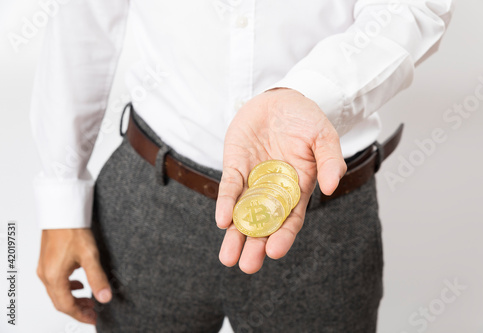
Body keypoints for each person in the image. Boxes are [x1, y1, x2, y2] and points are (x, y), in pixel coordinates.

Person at [32, 1, 454, 332]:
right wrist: (60, 194)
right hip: (150, 195)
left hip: (325, 211)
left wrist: (308, 95)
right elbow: (79, 21)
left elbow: (414, 6)